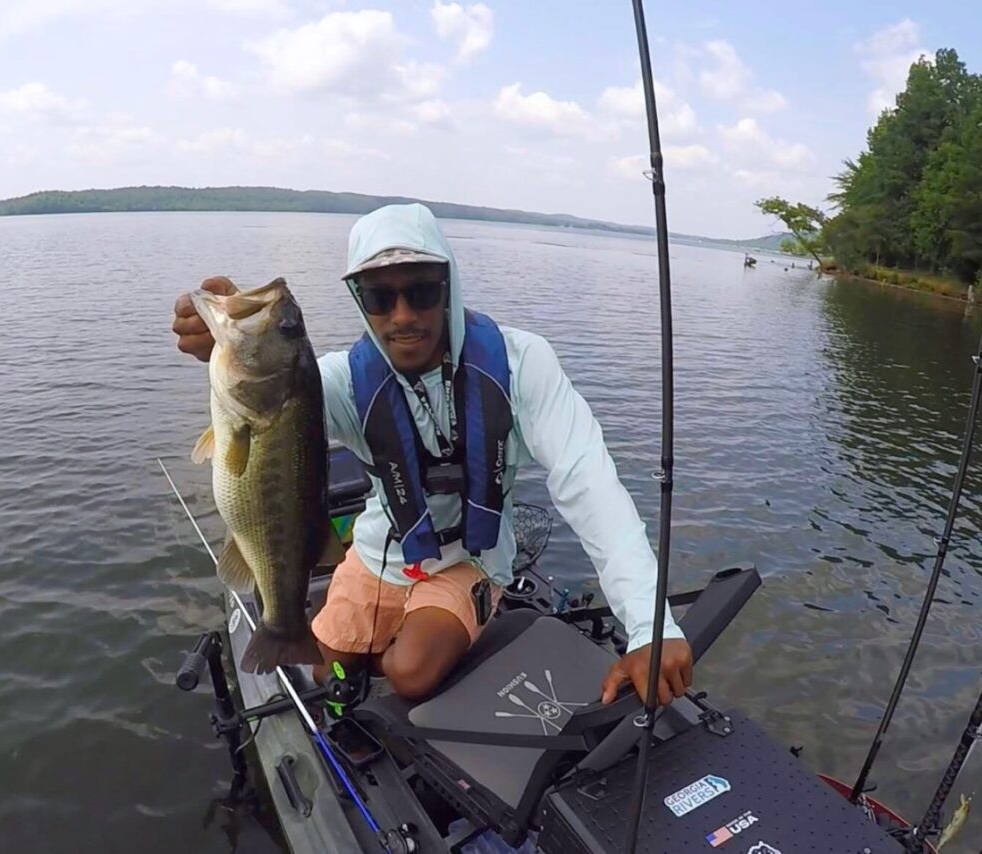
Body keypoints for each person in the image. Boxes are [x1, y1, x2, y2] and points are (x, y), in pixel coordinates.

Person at [172, 203, 692, 706]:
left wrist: (650, 625)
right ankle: (379, 645)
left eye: (421, 291)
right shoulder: (339, 381)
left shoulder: (521, 364)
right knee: (323, 666)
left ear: (448, 286)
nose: (403, 316)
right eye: (379, 297)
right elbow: (276, 399)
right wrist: (225, 342)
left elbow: (588, 483)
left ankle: (434, 632)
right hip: (381, 551)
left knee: (410, 672)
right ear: (359, 300)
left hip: (469, 559)